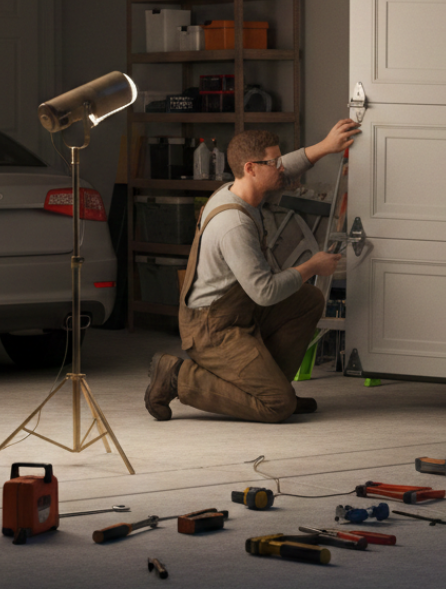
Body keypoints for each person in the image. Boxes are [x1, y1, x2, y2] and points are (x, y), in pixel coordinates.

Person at [144, 119, 360, 423]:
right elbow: (265, 291)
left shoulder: (244, 191)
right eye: (274, 162)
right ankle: (177, 376)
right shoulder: (235, 224)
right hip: (212, 329)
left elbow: (287, 164)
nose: (281, 166)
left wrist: (326, 146)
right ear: (251, 168)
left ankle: (272, 386)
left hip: (239, 311)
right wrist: (312, 265)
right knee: (277, 407)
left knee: (306, 299)